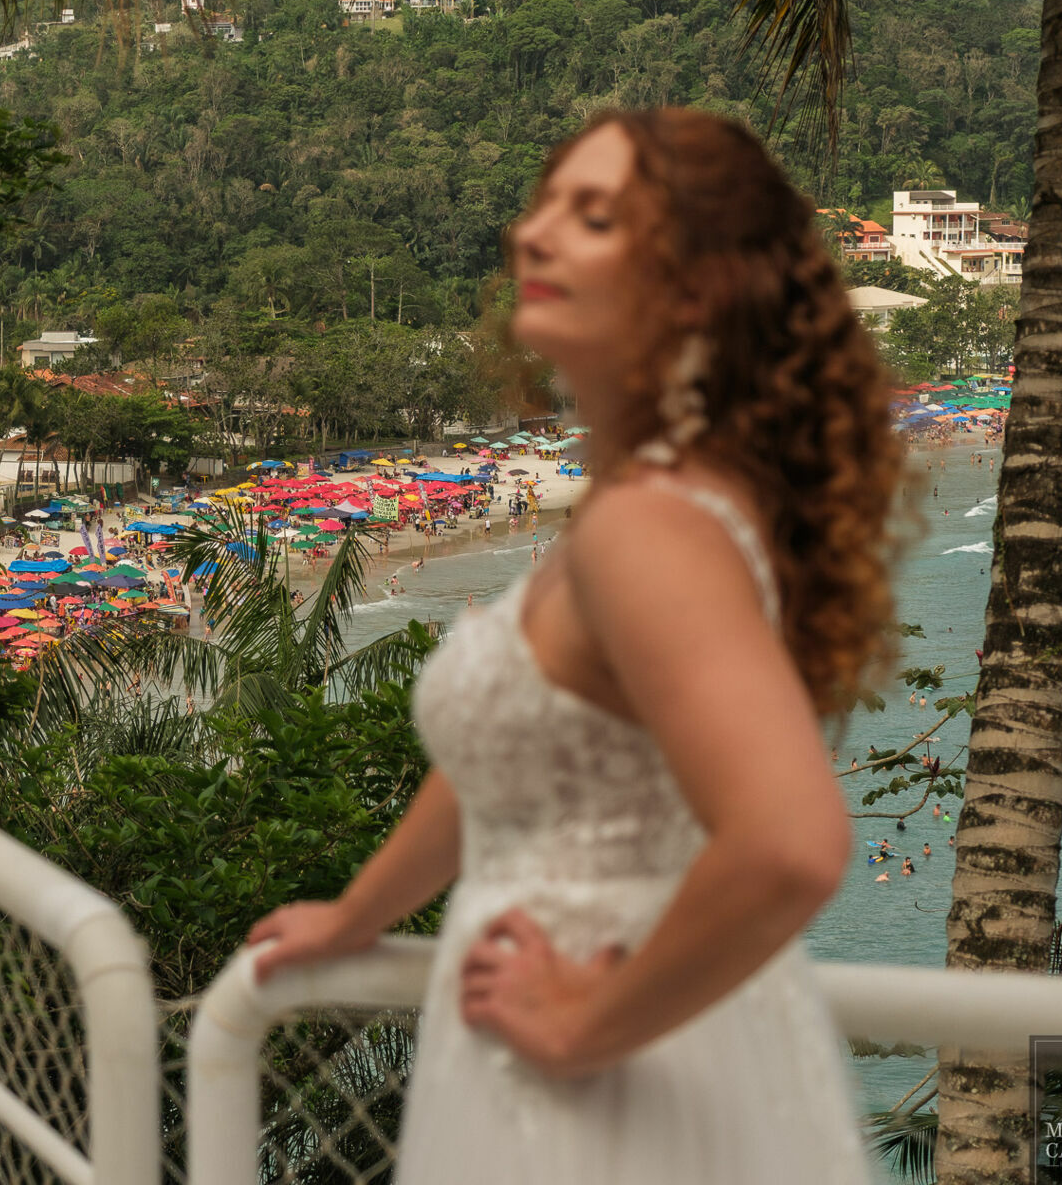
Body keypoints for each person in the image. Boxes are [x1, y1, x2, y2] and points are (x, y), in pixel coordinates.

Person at [245, 109, 898, 1183]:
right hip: (597, 1027)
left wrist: (584, 1025)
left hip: (602, 1053)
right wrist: (357, 914)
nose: (532, 233)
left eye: (591, 217)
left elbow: (790, 842)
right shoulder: (656, 506)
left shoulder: (650, 528)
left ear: (694, 291)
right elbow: (511, 765)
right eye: (545, 200)